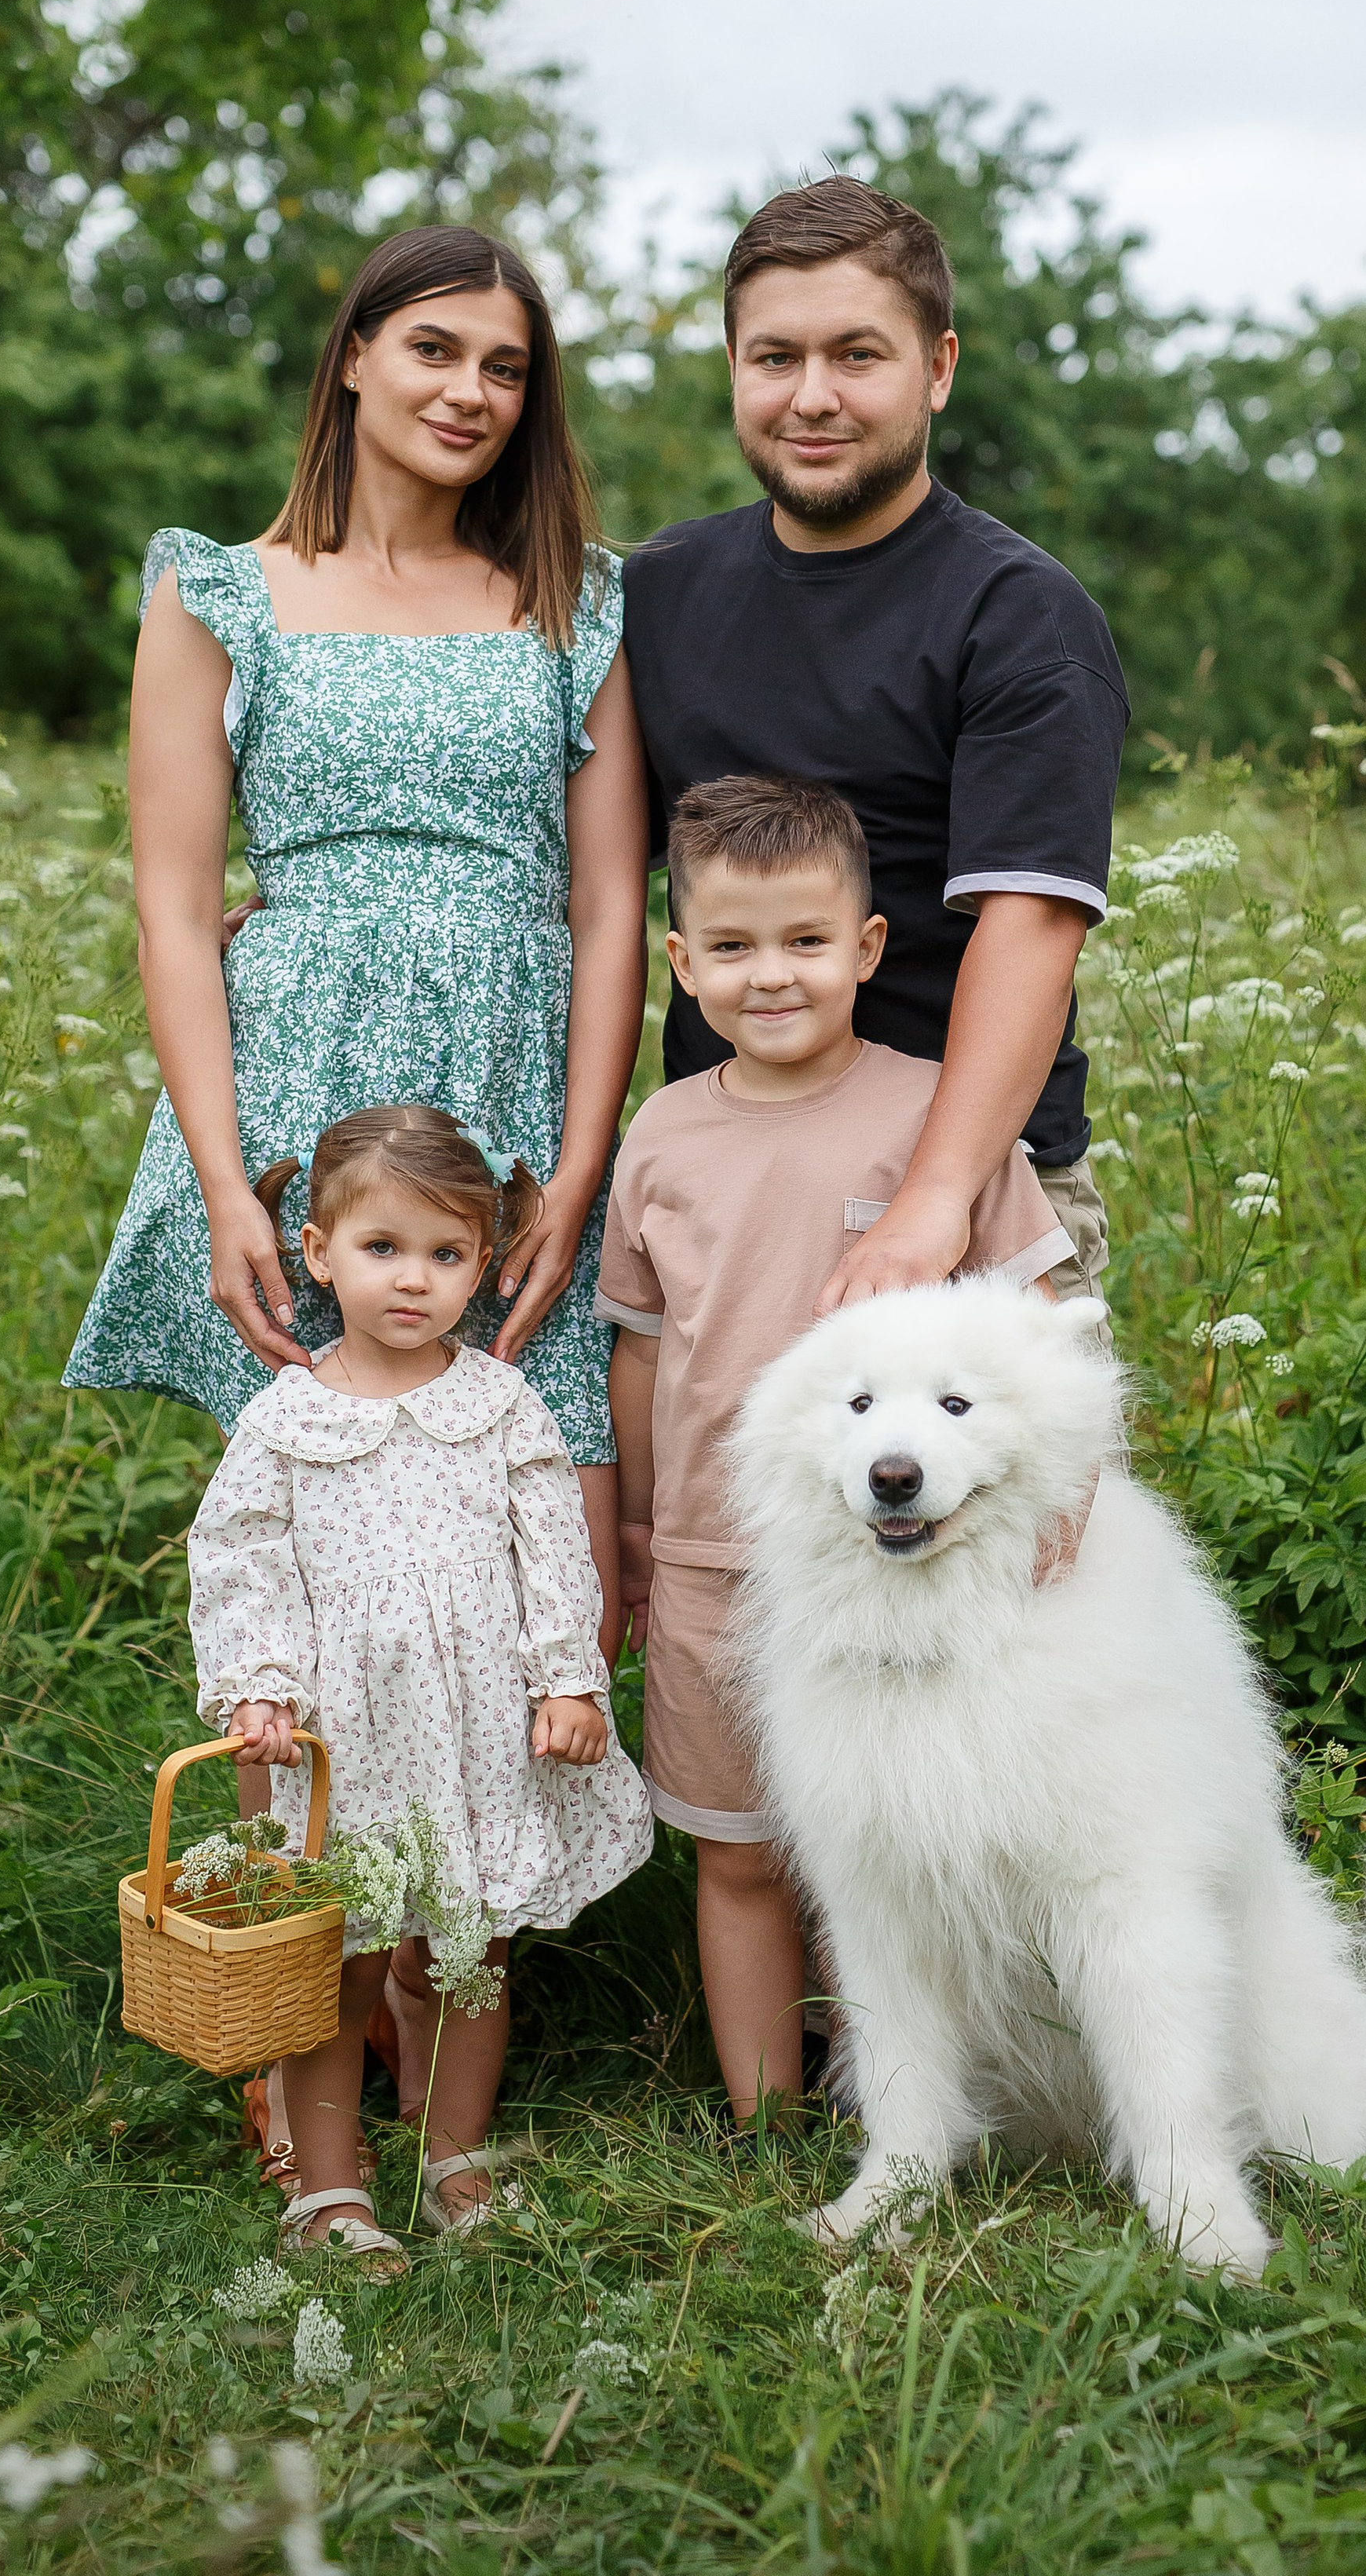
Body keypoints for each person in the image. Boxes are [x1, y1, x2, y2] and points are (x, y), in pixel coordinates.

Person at [66, 221, 647, 2181]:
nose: (468, 390)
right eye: (431, 349)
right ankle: (290, 2022)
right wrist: (228, 1173)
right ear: (350, 363)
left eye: (502, 364)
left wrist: (575, 1154)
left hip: (505, 1089)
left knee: (519, 1547)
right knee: (311, 1554)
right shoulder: (221, 587)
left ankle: (458, 2000)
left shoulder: (569, 601)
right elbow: (168, 890)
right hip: (298, 1080)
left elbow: (600, 906)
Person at [597, 776, 1072, 2120]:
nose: (772, 977)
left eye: (808, 942)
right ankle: (765, 2122)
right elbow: (644, 1350)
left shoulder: (942, 1117)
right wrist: (633, 1531)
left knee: (891, 1851)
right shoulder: (664, 1135)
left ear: (869, 949)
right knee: (741, 1853)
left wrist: (1066, 1496)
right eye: (733, 948)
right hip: (716, 1556)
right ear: (681, 965)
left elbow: (1033, 1338)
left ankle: (905, 2107)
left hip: (905, 1574)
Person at [621, 177, 1127, 1376]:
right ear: (734, 369)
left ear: (938, 367)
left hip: (971, 1178)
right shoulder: (659, 593)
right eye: (775, 357)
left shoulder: (1017, 615)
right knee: (716, 1543)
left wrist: (931, 1202)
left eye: (858, 355)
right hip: (722, 1169)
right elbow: (571, 861)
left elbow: (1032, 925)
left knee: (1003, 1555)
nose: (813, 397)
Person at [191, 1105, 652, 2260]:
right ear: (318, 1253)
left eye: (448, 1256)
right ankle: (332, 2192)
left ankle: (457, 2159)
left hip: (475, 1734)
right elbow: (242, 1561)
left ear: (483, 1266)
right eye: (383, 1250)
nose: (414, 1282)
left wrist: (567, 1681)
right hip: (340, 1743)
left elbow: (551, 1547)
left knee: (469, 1954)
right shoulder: (286, 1419)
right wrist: (259, 1686)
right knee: (334, 1963)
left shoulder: (497, 1406)